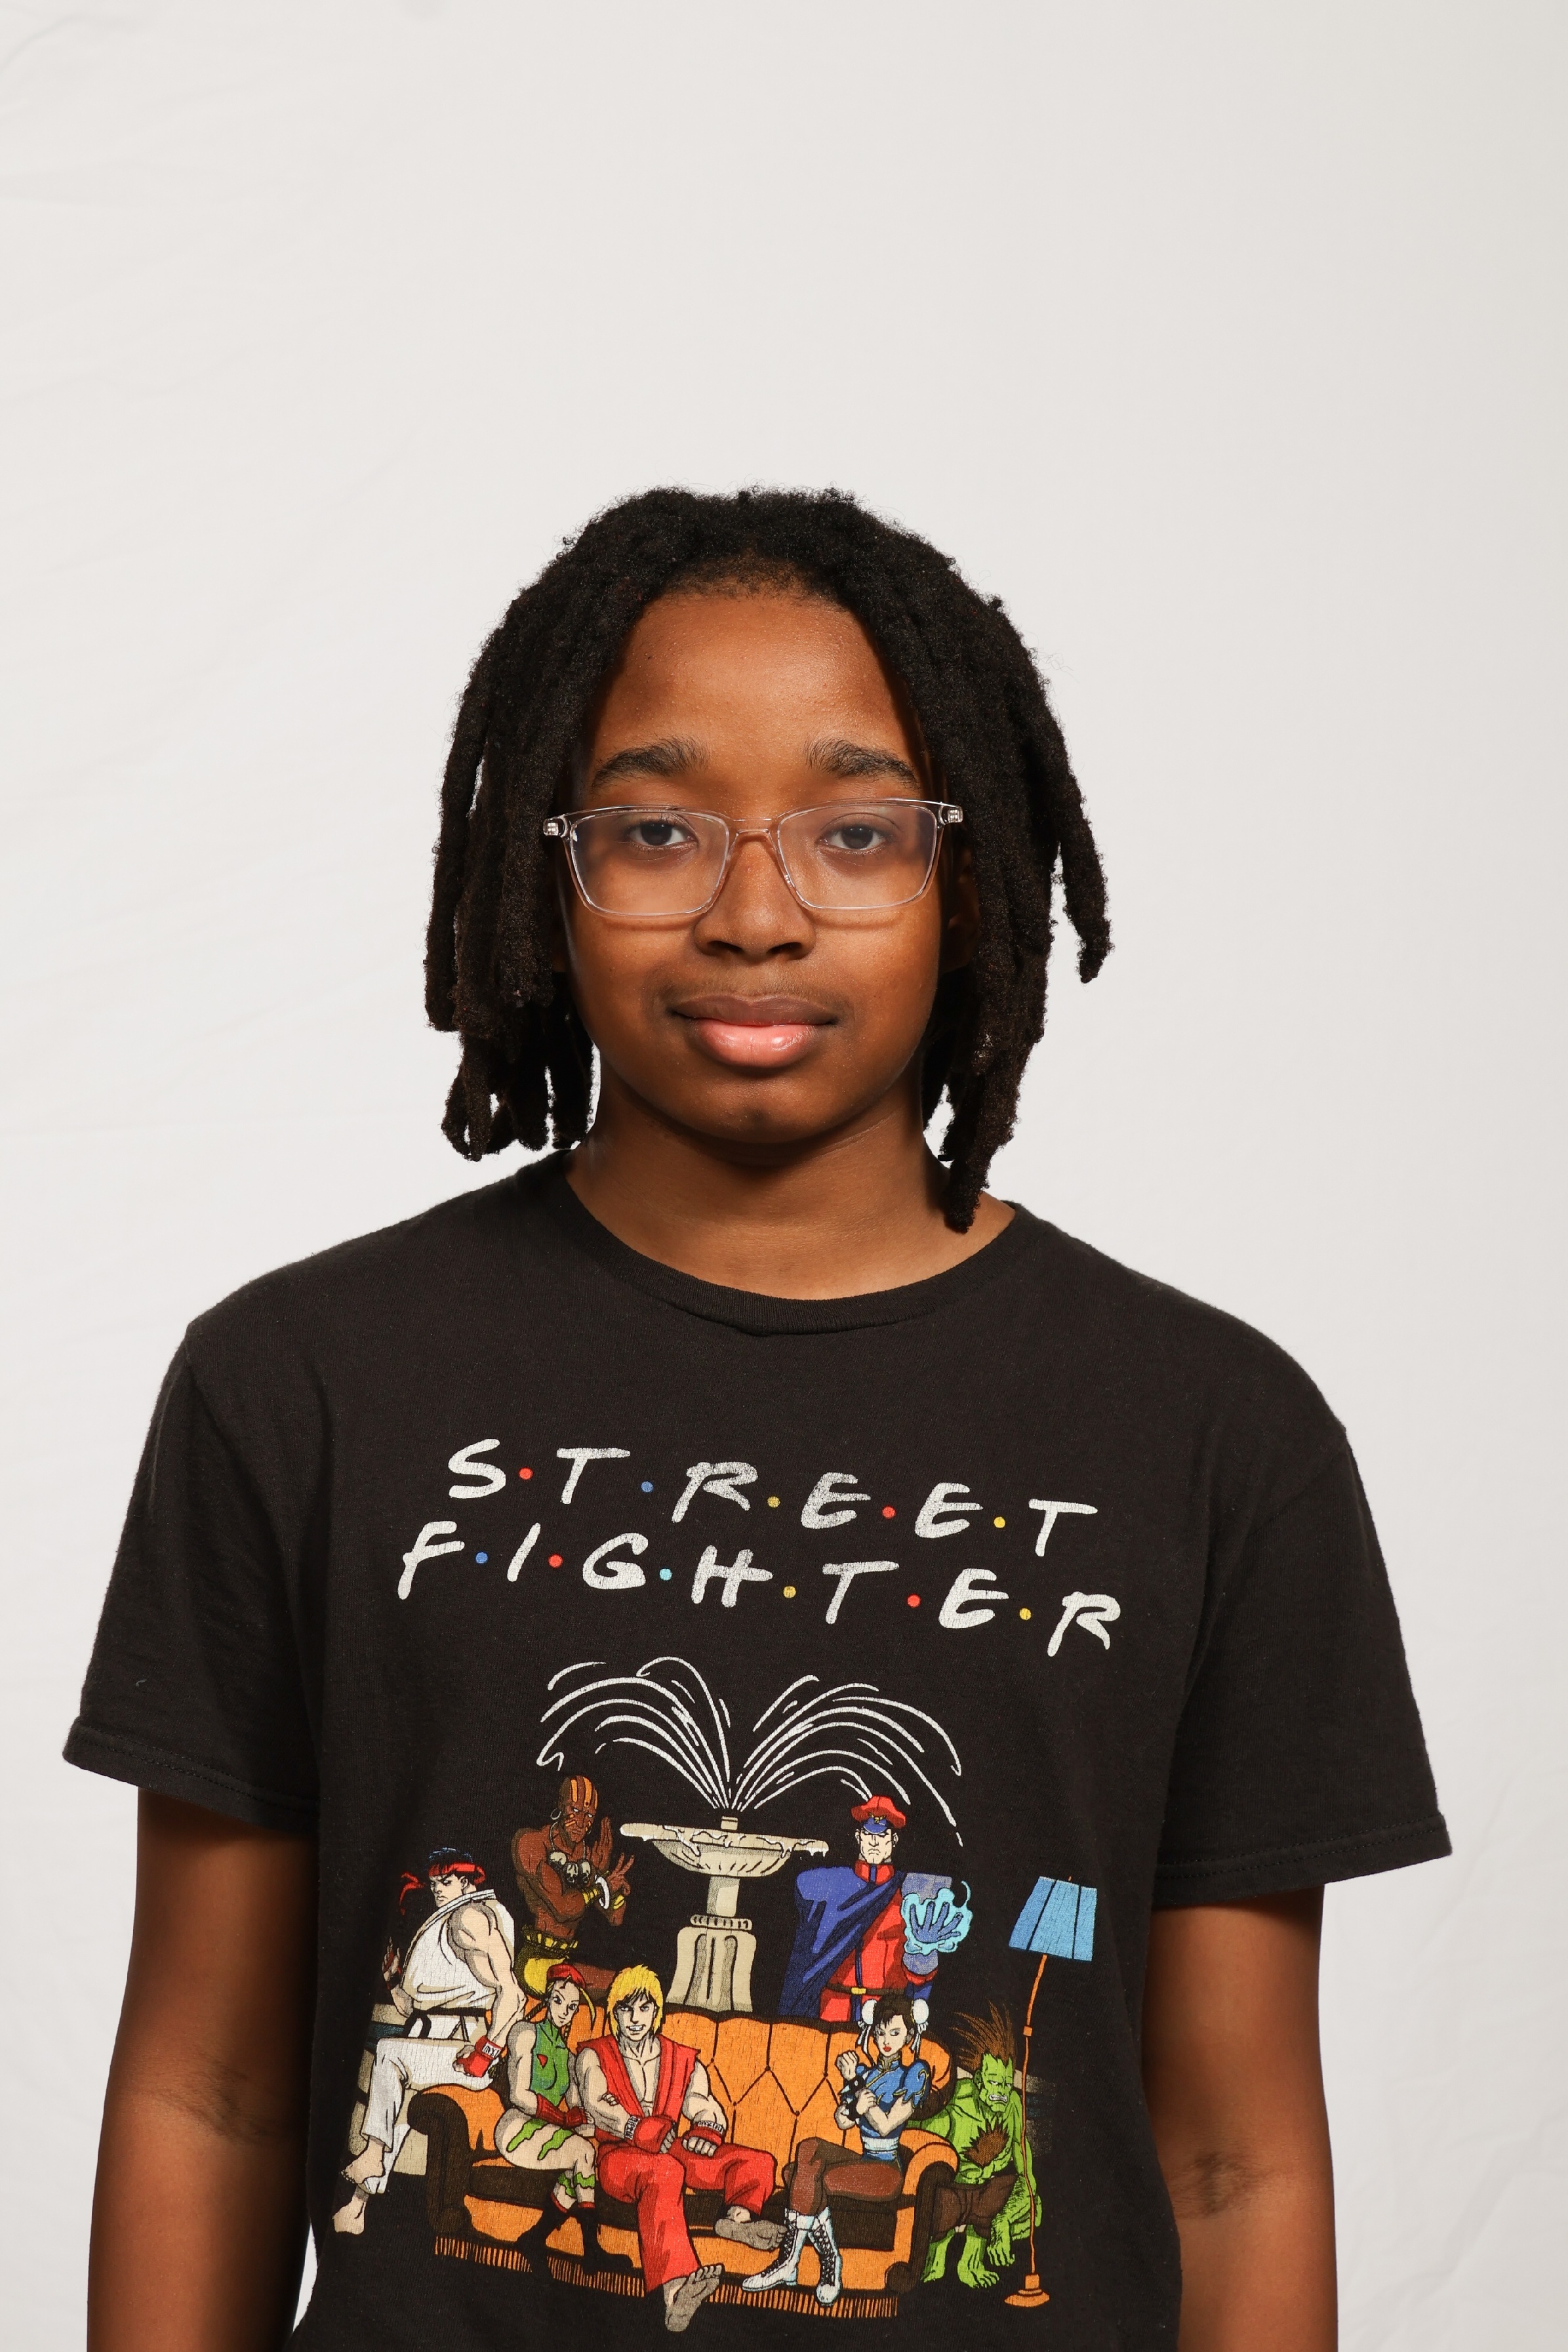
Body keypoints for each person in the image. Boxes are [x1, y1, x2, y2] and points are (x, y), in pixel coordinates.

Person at [70, 487, 1449, 2351]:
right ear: (546, 872)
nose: (751, 911)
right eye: (655, 828)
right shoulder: (301, 1382)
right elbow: (211, 2092)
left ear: (966, 877)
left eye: (853, 831)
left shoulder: (1210, 1434)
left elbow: (1231, 2161)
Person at [576, 1965, 780, 2332]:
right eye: (626, 2009)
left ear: (657, 2012)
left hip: (670, 2146)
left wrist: (707, 2127)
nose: (635, 2019)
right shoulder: (594, 2054)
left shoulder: (680, 2057)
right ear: (614, 2013)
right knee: (666, 2172)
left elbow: (700, 2101)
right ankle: (675, 2293)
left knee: (756, 2161)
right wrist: (637, 2128)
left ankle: (736, 2221)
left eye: (644, 2008)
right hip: (619, 2156)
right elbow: (599, 2104)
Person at [332, 1850, 520, 2237]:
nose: (437, 1890)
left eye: (446, 1882)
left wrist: (487, 2051)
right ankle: (357, 2208)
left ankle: (370, 2157)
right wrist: (392, 1977)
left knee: (389, 2055)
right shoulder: (449, 1919)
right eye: (434, 1883)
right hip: (432, 2037)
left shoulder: (470, 1919)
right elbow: (411, 2003)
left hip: (466, 2044)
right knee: (393, 2109)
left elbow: (512, 1995)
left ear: (467, 1883)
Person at [746, 1989, 931, 2307]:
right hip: (864, 2160)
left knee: (802, 2177)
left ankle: (794, 2263)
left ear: (909, 2036)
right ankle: (823, 2261)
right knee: (806, 2153)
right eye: (881, 2032)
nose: (886, 2040)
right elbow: (842, 2120)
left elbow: (886, 2125)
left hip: (886, 2171)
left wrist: (858, 2091)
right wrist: (856, 2092)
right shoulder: (866, 2073)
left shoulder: (914, 2073)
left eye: (895, 2033)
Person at [777, 1793, 970, 2024]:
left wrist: (925, 1952)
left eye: (882, 1835)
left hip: (886, 2015)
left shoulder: (913, 1893)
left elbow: (919, 1978)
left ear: (894, 1840)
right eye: (868, 1834)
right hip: (833, 2009)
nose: (874, 1842)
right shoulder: (828, 1887)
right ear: (858, 1837)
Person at [491, 1962, 614, 2274]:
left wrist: (603, 2106)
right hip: (515, 2128)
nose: (564, 2012)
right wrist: (562, 2118)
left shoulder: (569, 2057)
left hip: (545, 2130)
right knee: (583, 2154)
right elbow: (519, 2095)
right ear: (547, 1998)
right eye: (559, 2001)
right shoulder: (525, 2033)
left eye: (572, 2007)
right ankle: (591, 2251)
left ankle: (535, 2239)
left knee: (582, 2160)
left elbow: (577, 2107)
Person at [510, 1774, 633, 1997]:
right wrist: (601, 1886)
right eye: (574, 1811)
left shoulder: (587, 1855)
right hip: (534, 1964)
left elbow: (615, 1918)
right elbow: (563, 1909)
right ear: (560, 1805)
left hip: (565, 1961)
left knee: (629, 1983)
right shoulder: (533, 1843)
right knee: (623, 1987)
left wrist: (612, 1886)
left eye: (589, 1815)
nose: (581, 1822)